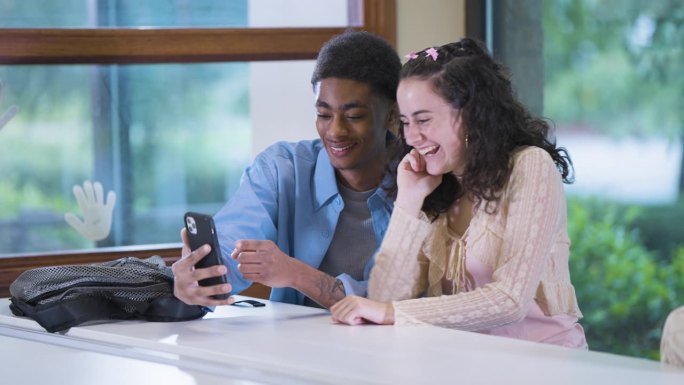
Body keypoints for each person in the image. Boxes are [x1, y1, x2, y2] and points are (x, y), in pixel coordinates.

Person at [330, 37, 588, 348]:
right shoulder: (436, 181)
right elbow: (385, 297)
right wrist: (409, 202)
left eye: (423, 120)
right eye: (405, 122)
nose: (411, 137)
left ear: (469, 114)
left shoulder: (530, 166)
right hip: (464, 364)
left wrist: (391, 312)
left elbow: (510, 300)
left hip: (542, 366)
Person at [172, 30, 401, 309]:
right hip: (292, 347)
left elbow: (392, 306)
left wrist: (295, 273)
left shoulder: (423, 185)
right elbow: (236, 236)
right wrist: (201, 276)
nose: (336, 131)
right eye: (323, 114)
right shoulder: (282, 169)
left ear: (391, 114)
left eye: (354, 116)